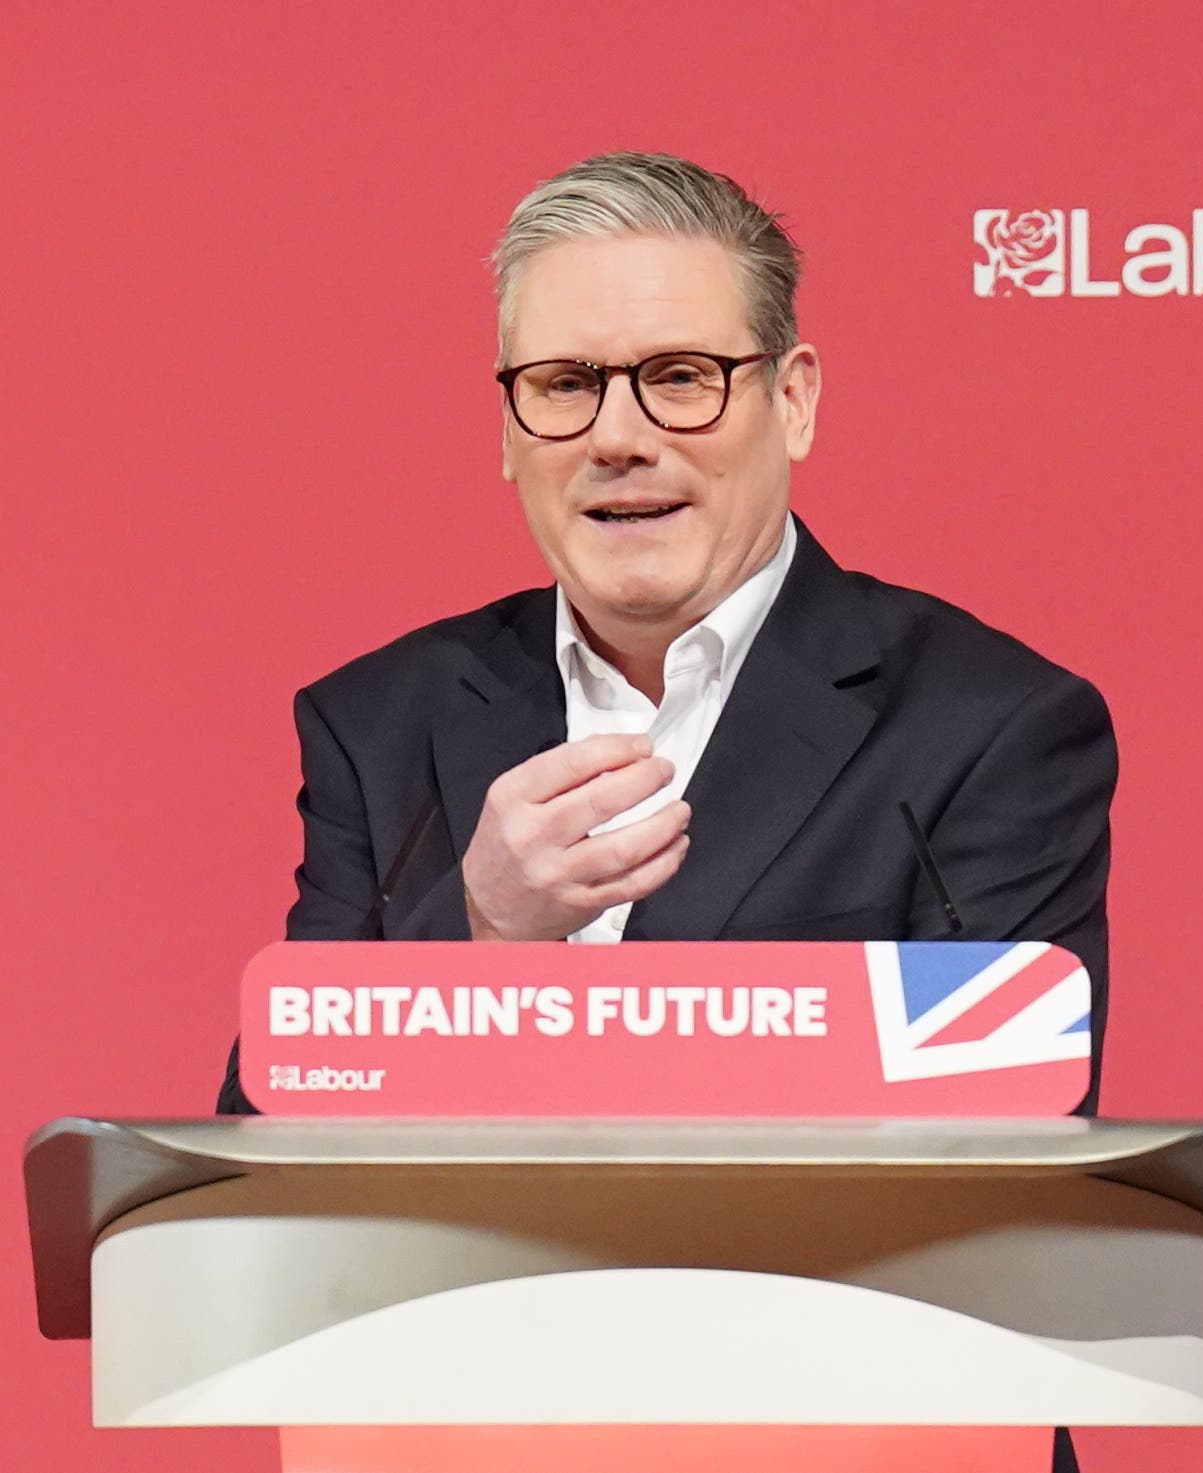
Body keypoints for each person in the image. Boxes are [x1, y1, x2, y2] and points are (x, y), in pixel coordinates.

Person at [216, 150, 1117, 1473]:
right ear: (508, 428)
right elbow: (263, 1138)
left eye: (680, 378)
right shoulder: (385, 717)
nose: (618, 435)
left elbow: (1005, 1162)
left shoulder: (988, 723)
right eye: (564, 386)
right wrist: (481, 948)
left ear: (793, 399)